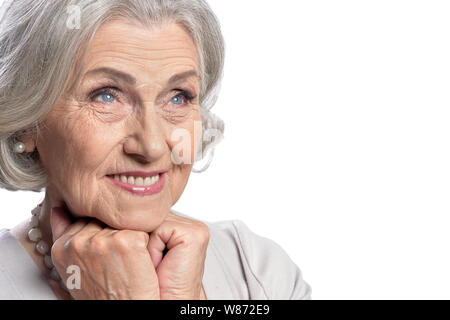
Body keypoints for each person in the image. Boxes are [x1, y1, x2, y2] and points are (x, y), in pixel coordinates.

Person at [0, 0, 311, 300]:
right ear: (28, 123)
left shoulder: (257, 271)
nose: (151, 146)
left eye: (178, 97)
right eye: (106, 96)